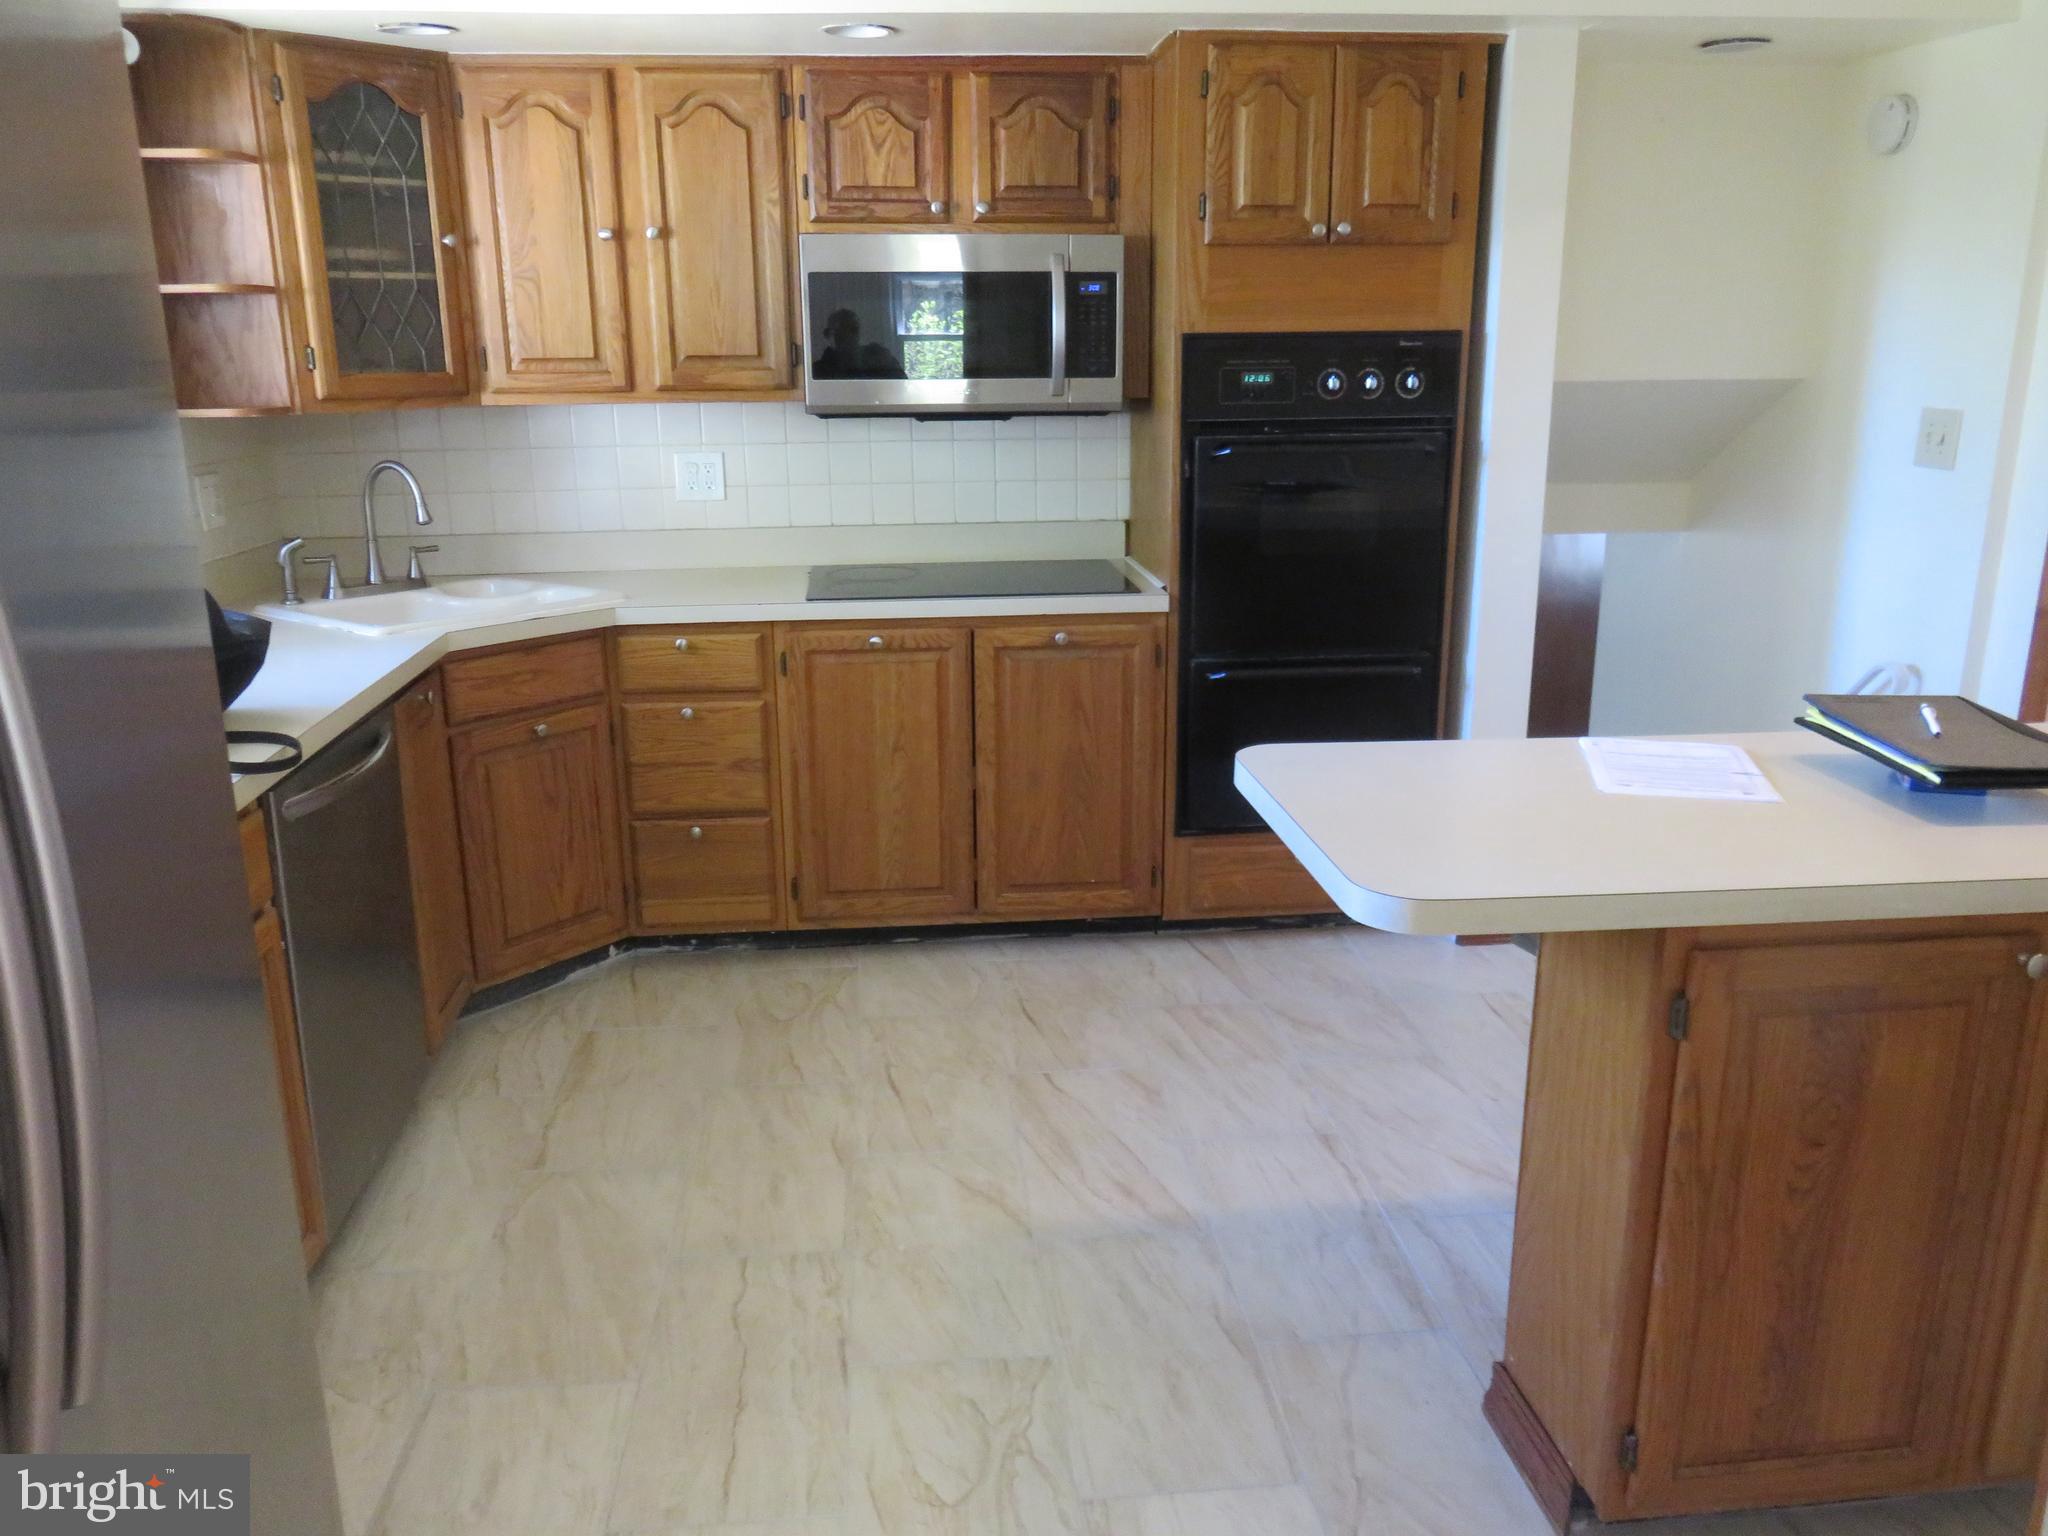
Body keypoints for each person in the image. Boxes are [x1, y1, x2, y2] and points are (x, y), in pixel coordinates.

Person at [815, 306, 905, 379]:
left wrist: (886, 360)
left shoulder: (876, 358)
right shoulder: (818, 370)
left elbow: (900, 385)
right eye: (841, 331)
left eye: (853, 330)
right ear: (828, 334)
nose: (848, 336)